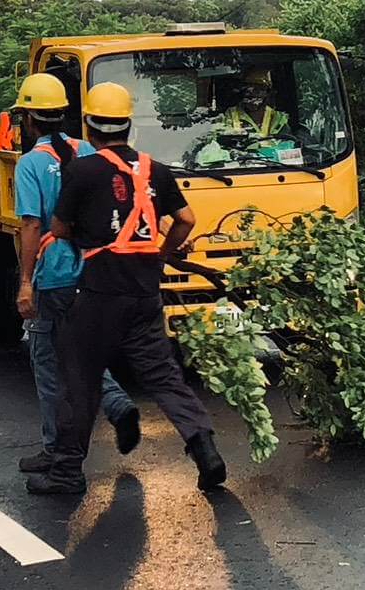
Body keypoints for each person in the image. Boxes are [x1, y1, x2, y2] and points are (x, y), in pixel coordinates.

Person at [31, 81, 226, 497]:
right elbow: (186, 220)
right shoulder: (155, 169)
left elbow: (60, 227)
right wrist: (161, 254)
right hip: (144, 292)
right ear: (128, 125)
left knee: (78, 376)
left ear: (90, 126)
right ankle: (204, 449)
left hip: (100, 294)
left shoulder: (83, 170)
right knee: (164, 376)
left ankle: (66, 472)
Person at [9, 73, 139, 479]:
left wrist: (26, 282)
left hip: (55, 276)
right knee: (84, 351)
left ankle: (55, 449)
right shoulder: (88, 151)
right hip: (94, 272)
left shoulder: (31, 164)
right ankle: (117, 404)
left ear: (29, 120)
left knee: (49, 364)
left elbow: (32, 225)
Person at [224, 66, 290, 139]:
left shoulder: (278, 119)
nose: (252, 92)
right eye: (248, 87)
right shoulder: (230, 115)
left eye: (258, 88)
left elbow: (289, 142)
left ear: (268, 93)